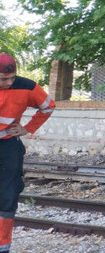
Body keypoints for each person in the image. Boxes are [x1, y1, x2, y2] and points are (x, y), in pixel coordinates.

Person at [0, 53, 56, 253]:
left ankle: (2, 246)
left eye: (11, 78)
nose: (9, 82)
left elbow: (48, 106)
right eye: (3, 79)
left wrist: (27, 128)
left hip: (7, 146)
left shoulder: (27, 87)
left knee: (7, 196)